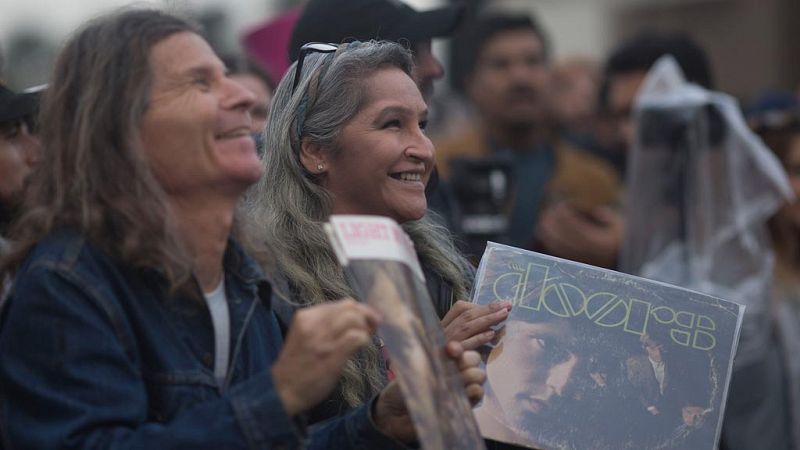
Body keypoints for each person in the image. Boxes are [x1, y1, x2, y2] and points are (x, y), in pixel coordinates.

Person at [0, 9, 485, 449]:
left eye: (225, 77)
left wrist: (377, 423)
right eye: (200, 84)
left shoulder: (241, 274)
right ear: (120, 128)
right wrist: (278, 395)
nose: (239, 95)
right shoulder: (68, 284)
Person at [246, 39, 509, 433]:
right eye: (392, 124)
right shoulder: (268, 285)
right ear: (315, 151)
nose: (423, 148)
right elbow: (259, 436)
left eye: (422, 124)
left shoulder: (442, 269)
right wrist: (421, 373)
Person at [433, 13, 622, 264]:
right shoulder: (438, 169)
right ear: (472, 83)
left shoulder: (595, 180)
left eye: (533, 62)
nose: (520, 77)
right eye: (501, 64)